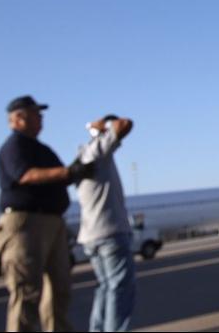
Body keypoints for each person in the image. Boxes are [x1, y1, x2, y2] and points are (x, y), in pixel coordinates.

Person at [0, 95, 93, 332]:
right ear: (18, 119)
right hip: (25, 224)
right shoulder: (14, 147)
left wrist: (72, 172)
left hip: (51, 223)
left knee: (58, 290)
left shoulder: (42, 149)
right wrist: (68, 172)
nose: (41, 119)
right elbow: (26, 175)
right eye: (35, 114)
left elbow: (61, 175)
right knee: (26, 292)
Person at [76, 115, 136, 332]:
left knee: (105, 288)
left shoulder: (82, 160)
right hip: (110, 233)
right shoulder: (97, 153)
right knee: (119, 290)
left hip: (90, 236)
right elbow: (126, 124)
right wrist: (105, 124)